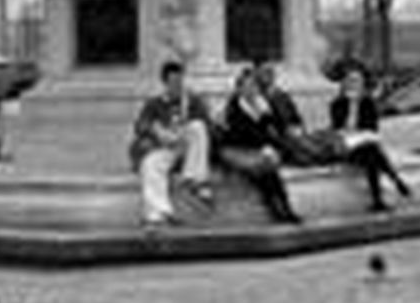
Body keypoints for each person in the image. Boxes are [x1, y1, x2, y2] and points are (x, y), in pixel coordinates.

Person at [129, 60, 214, 227]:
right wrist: (157, 130)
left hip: (188, 147)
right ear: (165, 82)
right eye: (173, 82)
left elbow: (207, 125)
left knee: (197, 127)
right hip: (165, 147)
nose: (178, 86)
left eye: (180, 81)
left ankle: (194, 178)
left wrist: (185, 127)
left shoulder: (193, 101)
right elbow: (141, 125)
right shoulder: (154, 103)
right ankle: (158, 213)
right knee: (150, 164)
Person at [218, 68, 303, 224]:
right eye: (246, 86)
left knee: (270, 170)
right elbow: (244, 135)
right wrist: (265, 146)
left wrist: (266, 116)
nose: (251, 89)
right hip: (237, 150)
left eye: (254, 86)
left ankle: (285, 208)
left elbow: (274, 129)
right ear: (239, 88)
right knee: (264, 169)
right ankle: (277, 210)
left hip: (257, 149)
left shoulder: (263, 104)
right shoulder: (234, 108)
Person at [329, 66, 412, 212]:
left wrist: (360, 131)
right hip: (347, 146)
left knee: (371, 153)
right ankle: (396, 181)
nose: (354, 84)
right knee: (373, 153)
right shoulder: (337, 104)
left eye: (357, 81)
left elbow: (373, 128)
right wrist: (350, 122)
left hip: (364, 144)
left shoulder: (368, 103)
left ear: (362, 84)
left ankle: (378, 199)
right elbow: (337, 128)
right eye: (351, 81)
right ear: (344, 84)